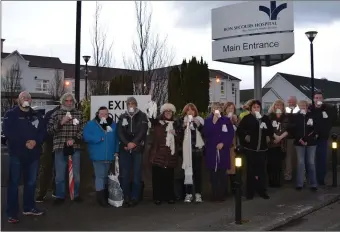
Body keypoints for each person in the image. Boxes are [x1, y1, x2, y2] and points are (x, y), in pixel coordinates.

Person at [3, 91, 46, 223]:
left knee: (31, 182)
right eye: (23, 97)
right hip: (17, 153)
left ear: (31, 100)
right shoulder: (10, 114)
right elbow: (8, 132)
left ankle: (29, 207)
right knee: (14, 183)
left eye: (28, 97)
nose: (26, 99)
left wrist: (36, 141)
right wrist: (24, 142)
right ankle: (12, 212)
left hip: (33, 155)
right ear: (18, 100)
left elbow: (43, 132)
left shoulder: (36, 115)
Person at [48, 93, 85, 205]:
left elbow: (84, 129)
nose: (69, 103)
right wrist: (61, 122)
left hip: (75, 147)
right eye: (67, 101)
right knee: (59, 175)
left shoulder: (79, 114)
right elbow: (50, 131)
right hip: (59, 147)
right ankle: (60, 196)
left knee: (76, 174)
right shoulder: (56, 114)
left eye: (71, 101)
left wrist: (74, 139)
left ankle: (76, 194)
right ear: (62, 102)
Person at [83, 106, 119, 207]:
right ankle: (100, 198)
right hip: (97, 154)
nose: (103, 116)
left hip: (109, 155)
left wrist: (116, 150)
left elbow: (116, 139)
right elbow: (86, 136)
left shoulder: (113, 124)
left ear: (108, 114)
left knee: (105, 176)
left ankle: (105, 196)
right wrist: (98, 138)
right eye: (101, 114)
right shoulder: (91, 124)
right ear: (98, 114)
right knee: (100, 176)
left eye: (105, 114)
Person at [237, 100, 273, 200]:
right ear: (251, 109)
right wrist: (246, 137)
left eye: (258, 107)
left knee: (261, 171)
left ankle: (262, 190)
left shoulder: (265, 118)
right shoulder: (247, 118)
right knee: (250, 171)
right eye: (254, 107)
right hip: (250, 149)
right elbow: (240, 130)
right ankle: (250, 192)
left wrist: (267, 134)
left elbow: (270, 130)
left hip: (262, 149)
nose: (256, 109)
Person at [117, 97, 149, 207]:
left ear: (136, 104)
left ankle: (135, 197)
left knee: (137, 174)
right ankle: (126, 197)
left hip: (137, 148)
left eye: (133, 103)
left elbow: (143, 131)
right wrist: (127, 144)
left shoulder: (142, 116)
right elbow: (120, 132)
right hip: (125, 149)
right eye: (129, 103)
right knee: (125, 174)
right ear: (126, 105)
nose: (131, 105)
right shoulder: (122, 116)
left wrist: (134, 143)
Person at [148, 103, 180, 205]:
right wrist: (151, 109)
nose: (168, 113)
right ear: (163, 112)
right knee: (157, 177)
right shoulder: (157, 122)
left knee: (169, 177)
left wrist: (176, 134)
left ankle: (169, 197)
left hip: (170, 154)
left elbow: (181, 138)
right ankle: (157, 197)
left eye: (170, 111)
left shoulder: (176, 123)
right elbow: (151, 119)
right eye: (166, 111)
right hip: (157, 153)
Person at [203, 102, 234, 201]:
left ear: (221, 109)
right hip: (212, 151)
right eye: (214, 108)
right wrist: (214, 122)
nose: (216, 109)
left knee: (222, 173)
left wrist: (224, 143)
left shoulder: (226, 120)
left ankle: (221, 195)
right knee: (213, 174)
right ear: (212, 109)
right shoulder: (208, 121)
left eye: (219, 108)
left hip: (223, 151)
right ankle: (214, 194)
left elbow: (230, 134)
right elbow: (206, 134)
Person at [177, 103, 205, 203]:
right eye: (188, 110)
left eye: (192, 110)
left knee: (198, 173)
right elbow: (178, 135)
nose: (190, 112)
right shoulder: (181, 121)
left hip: (197, 151)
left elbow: (204, 133)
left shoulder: (199, 120)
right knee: (187, 173)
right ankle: (188, 194)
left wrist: (197, 124)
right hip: (186, 152)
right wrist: (184, 126)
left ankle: (198, 194)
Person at [292, 100, 319, 191]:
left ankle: (313, 184)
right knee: (300, 163)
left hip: (311, 143)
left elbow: (315, 129)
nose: (303, 106)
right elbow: (293, 130)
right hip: (299, 143)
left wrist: (306, 139)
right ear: (298, 107)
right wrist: (299, 139)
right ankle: (299, 183)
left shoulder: (312, 116)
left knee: (311, 163)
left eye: (304, 105)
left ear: (307, 106)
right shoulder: (296, 116)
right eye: (301, 105)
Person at [36, 105, 60, 203]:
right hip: (49, 143)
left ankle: (54, 190)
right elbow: (43, 128)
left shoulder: (70, 114)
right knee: (46, 168)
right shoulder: (51, 114)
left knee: (58, 169)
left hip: (60, 144)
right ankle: (42, 192)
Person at [310, 92, 334, 185]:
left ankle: (321, 179)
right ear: (313, 99)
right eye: (316, 98)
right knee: (311, 160)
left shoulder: (328, 109)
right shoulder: (310, 109)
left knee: (322, 159)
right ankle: (312, 179)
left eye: (320, 98)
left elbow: (328, 124)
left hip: (322, 138)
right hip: (312, 138)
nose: (318, 99)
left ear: (323, 99)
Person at [267, 100, 289, 187]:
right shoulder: (270, 116)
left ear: (283, 107)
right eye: (276, 105)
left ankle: (277, 181)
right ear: (274, 106)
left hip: (281, 143)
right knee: (271, 163)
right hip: (271, 143)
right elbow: (268, 128)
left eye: (280, 105)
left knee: (279, 164)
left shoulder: (285, 117)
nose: (278, 107)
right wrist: (274, 137)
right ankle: (271, 181)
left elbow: (287, 128)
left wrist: (280, 137)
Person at [224, 102, 238, 194]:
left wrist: (235, 122)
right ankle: (225, 190)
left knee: (234, 168)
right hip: (225, 147)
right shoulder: (222, 119)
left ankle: (234, 189)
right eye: (229, 108)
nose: (230, 110)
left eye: (232, 108)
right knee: (225, 168)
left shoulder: (236, 119)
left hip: (234, 147)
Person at [284, 96, 299, 181]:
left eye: (292, 101)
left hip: (298, 137)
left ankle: (299, 176)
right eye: (289, 101)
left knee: (298, 158)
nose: (290, 103)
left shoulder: (298, 111)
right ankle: (288, 176)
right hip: (289, 138)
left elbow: (298, 124)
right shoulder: (286, 111)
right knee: (288, 157)